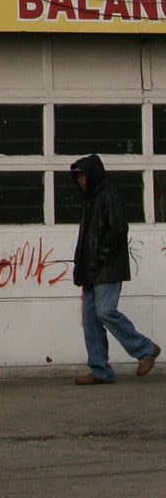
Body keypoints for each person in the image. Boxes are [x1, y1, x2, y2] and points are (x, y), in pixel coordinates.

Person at [70, 153, 159, 383]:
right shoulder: (91, 200)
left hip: (106, 269)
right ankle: (100, 370)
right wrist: (81, 267)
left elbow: (118, 230)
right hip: (91, 271)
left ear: (92, 174)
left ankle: (145, 349)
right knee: (90, 321)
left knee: (105, 311)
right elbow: (87, 238)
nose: (79, 181)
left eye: (81, 176)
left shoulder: (108, 196)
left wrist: (100, 257)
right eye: (77, 178)